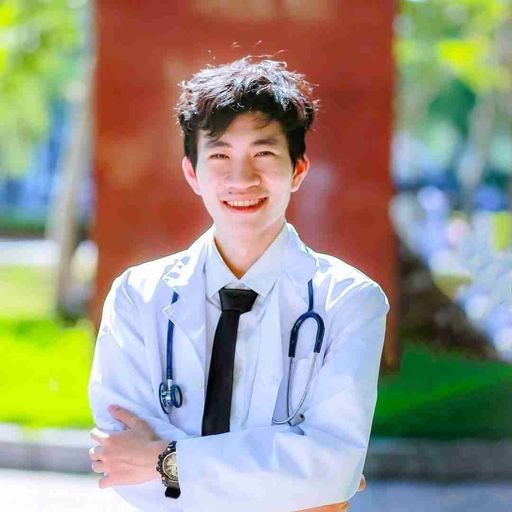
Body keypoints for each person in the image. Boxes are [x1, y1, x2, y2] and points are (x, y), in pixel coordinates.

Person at [88, 56, 390, 512]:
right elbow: (121, 460)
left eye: (263, 154)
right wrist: (291, 481)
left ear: (298, 170)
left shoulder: (350, 300)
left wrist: (165, 461)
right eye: (220, 155)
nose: (241, 178)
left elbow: (332, 467)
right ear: (192, 173)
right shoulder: (137, 295)